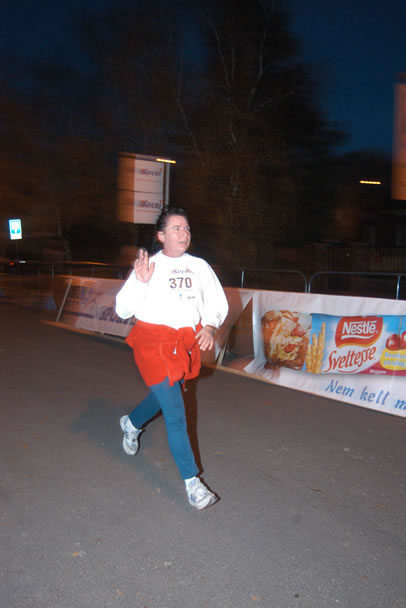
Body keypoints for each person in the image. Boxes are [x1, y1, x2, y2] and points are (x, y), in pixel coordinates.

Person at [115, 207, 229, 509]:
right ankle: (193, 483)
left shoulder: (199, 266)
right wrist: (140, 282)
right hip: (153, 344)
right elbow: (122, 310)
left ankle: (131, 424)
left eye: (187, 228)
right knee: (176, 411)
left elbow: (216, 302)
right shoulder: (149, 266)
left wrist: (209, 326)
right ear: (161, 235)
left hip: (183, 344)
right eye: (176, 228)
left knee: (162, 395)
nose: (184, 233)